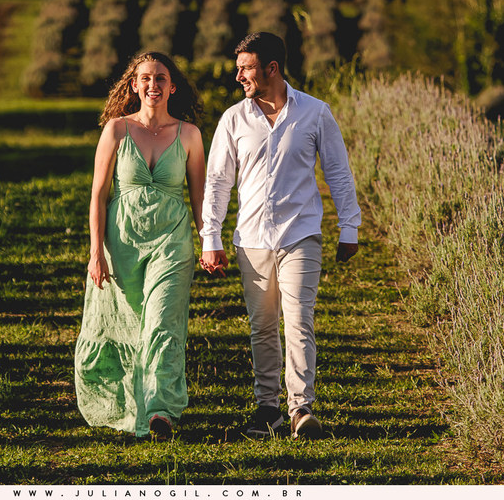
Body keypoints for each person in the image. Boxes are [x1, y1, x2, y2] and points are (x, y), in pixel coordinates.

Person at [199, 32, 361, 440]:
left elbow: (338, 172)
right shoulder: (234, 119)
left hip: (301, 234)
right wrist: (210, 236)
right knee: (263, 326)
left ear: (271, 68)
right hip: (251, 240)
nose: (238, 76)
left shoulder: (315, 113)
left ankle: (300, 408)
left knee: (299, 319)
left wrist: (350, 226)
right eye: (238, 68)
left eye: (246, 68)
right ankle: (266, 409)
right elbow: (218, 182)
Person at [74, 51, 206, 441]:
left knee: (163, 322)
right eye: (145, 78)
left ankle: (160, 411)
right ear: (134, 85)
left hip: (172, 241)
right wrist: (95, 251)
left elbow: (199, 200)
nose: (153, 85)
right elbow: (98, 195)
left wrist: (209, 242)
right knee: (132, 324)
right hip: (123, 241)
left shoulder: (191, 135)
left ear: (172, 86)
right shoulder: (116, 130)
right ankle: (132, 403)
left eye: (160, 78)